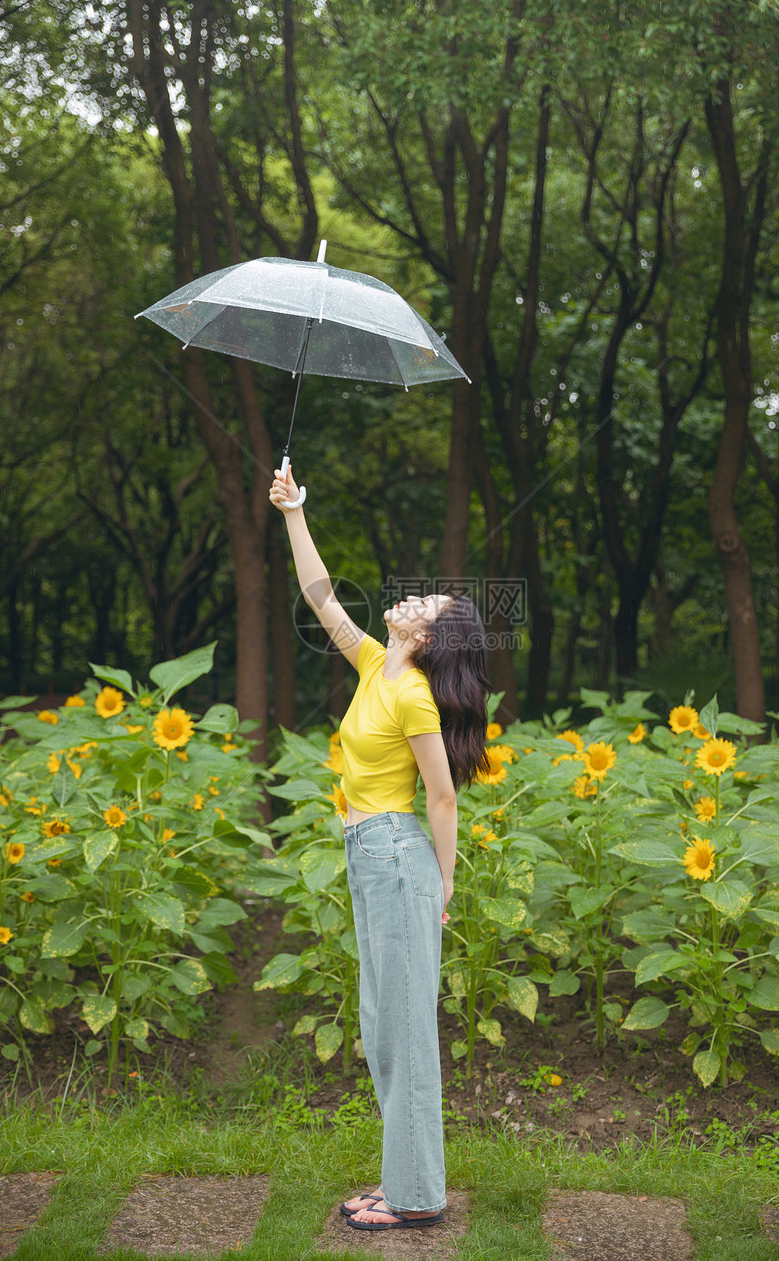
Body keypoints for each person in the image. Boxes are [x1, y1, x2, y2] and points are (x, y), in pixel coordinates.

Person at [269, 463, 490, 1233]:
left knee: (402, 1026)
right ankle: (405, 1179)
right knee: (380, 1022)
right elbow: (320, 596)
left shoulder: (413, 693)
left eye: (423, 602)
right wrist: (296, 511)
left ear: (426, 635)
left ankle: (418, 1196)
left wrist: (444, 885)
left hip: (401, 861)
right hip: (372, 855)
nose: (408, 597)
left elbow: (442, 795)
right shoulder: (374, 663)